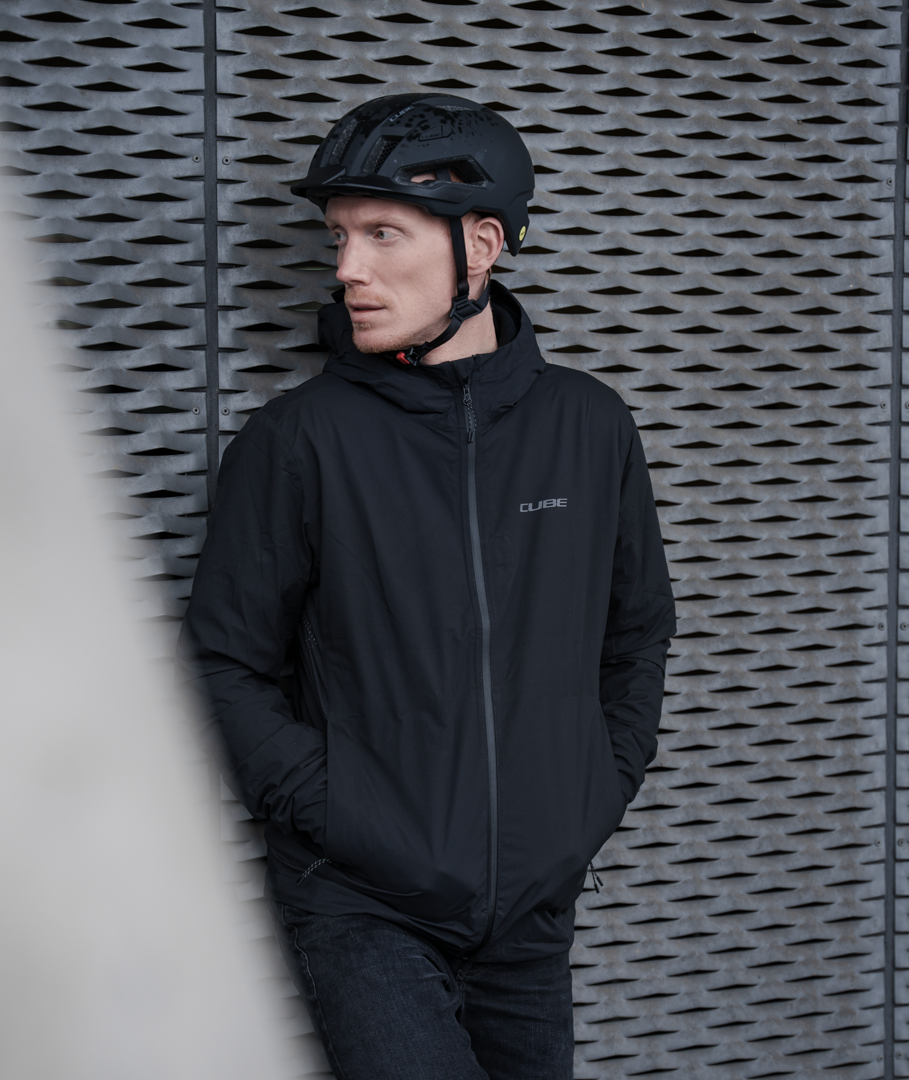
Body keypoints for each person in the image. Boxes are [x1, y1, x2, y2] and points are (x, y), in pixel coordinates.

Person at [178, 93, 676, 1080]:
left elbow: (636, 635)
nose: (347, 269)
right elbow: (223, 665)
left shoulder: (589, 427)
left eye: (382, 234)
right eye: (340, 236)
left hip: (529, 915)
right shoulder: (300, 442)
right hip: (366, 909)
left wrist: (587, 798)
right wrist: (347, 816)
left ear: (479, 246)